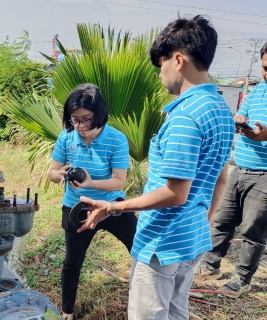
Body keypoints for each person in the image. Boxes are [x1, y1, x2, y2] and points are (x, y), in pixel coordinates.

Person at [77, 16, 235, 319]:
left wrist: (113, 208)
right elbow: (221, 179)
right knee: (176, 311)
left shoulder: (184, 117)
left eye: (161, 65)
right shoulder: (221, 110)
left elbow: (174, 194)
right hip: (193, 236)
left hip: (162, 241)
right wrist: (203, 219)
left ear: (178, 59)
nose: (160, 76)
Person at [48, 83, 137, 320]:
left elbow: (119, 181)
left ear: (99, 113)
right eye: (74, 120)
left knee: (140, 248)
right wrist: (59, 175)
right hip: (77, 208)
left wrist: (89, 183)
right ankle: (67, 311)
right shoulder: (67, 137)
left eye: (85, 119)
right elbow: (52, 171)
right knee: (72, 262)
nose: (80, 126)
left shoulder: (117, 139)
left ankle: (143, 296)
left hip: (112, 206)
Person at [194, 42, 267, 298]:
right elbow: (242, 113)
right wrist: (239, 120)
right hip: (240, 167)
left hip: (265, 175)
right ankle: (210, 265)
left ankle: (242, 279)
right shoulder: (257, 91)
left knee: (253, 229)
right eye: (265, 68)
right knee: (222, 220)